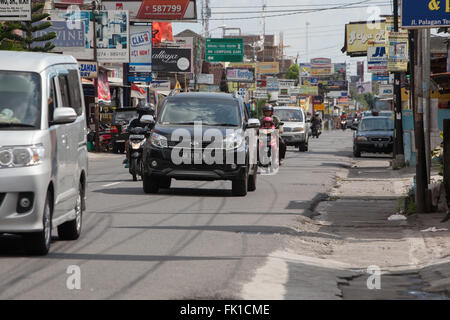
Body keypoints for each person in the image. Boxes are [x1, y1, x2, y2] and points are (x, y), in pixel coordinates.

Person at [123, 101, 155, 168]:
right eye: (140, 112)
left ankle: (152, 159)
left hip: (145, 138)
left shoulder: (150, 121)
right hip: (135, 138)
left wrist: (150, 130)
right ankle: (128, 158)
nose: (141, 113)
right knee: (127, 143)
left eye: (143, 112)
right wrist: (128, 129)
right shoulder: (134, 121)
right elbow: (129, 127)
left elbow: (153, 128)